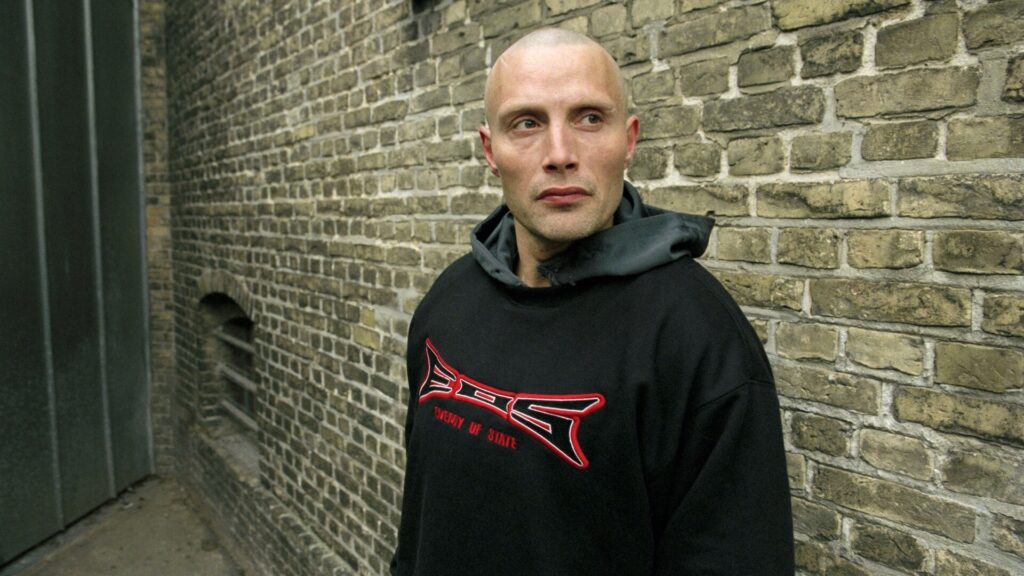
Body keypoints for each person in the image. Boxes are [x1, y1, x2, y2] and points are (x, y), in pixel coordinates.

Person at [391, 28, 793, 575]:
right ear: (490, 150)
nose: (560, 154)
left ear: (628, 140)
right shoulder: (447, 302)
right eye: (527, 123)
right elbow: (422, 516)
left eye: (589, 118)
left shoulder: (698, 339)